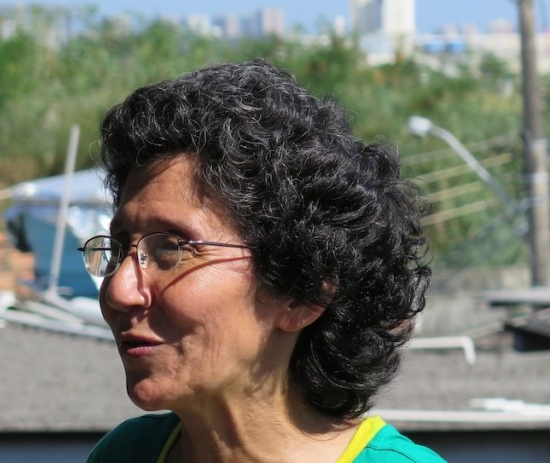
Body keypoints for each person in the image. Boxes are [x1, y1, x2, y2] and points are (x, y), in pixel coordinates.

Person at [81, 59, 443, 462]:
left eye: (170, 248)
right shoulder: (128, 454)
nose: (118, 290)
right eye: (117, 249)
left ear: (301, 294)